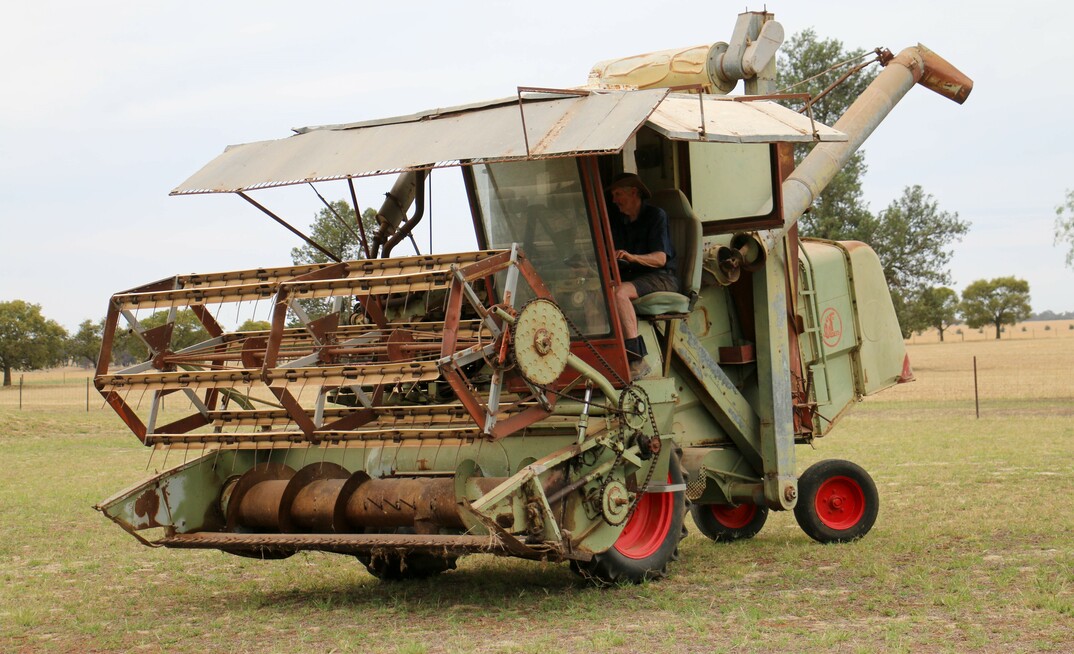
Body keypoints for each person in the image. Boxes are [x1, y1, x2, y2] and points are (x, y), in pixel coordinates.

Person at [606, 173, 678, 380]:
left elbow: (660, 259)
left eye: (618, 194)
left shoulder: (656, 216)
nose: (614, 200)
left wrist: (631, 257)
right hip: (634, 277)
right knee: (599, 293)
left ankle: (636, 359)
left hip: (662, 278)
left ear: (634, 192)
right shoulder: (620, 221)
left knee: (620, 293)